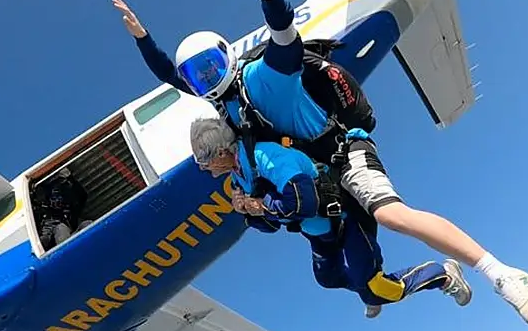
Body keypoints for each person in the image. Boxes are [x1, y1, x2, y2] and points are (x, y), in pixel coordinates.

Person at [113, 0, 528, 326]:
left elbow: (284, 38)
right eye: (197, 76)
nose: (204, 80)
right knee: (334, 276)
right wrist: (142, 40)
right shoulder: (227, 113)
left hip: (345, 150)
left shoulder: (263, 76)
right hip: (320, 177)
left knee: (392, 214)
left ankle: (500, 273)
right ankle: (372, 286)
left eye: (209, 68)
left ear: (226, 57)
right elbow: (171, 76)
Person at [189, 115, 471, 318]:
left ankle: (441, 274)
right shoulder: (240, 178)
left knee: (378, 289)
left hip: (346, 218)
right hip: (319, 232)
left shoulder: (264, 156)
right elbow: (272, 225)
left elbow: (303, 201)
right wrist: (247, 213)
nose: (204, 169)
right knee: (328, 277)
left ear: (222, 152)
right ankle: (365, 285)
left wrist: (259, 205)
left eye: (204, 161)